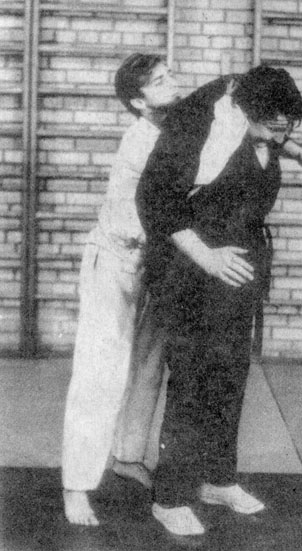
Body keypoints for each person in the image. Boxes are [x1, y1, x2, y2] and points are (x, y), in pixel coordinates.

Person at [137, 66, 302, 536]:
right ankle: (169, 498)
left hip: (238, 268)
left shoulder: (256, 110)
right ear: (243, 112)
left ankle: (218, 480)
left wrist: (301, 152)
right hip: (193, 266)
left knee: (230, 374)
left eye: (287, 128)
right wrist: (207, 258)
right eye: (272, 128)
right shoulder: (195, 128)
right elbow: (155, 201)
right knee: (192, 379)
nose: (278, 137)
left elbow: (272, 128)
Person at [62, 53, 181, 526]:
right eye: (159, 80)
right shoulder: (140, 141)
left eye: (170, 74)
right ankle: (76, 486)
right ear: (138, 101)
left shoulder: (173, 127)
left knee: (150, 362)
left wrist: (294, 151)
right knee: (100, 374)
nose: (172, 82)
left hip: (152, 261)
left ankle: (128, 455)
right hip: (113, 261)